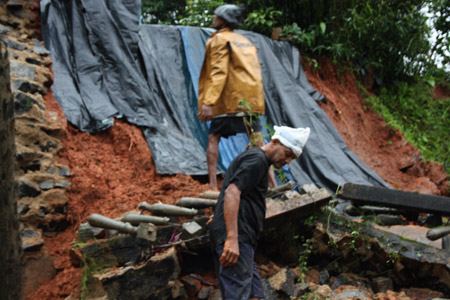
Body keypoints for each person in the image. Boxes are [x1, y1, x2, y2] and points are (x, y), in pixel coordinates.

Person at [209, 125, 311, 300]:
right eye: (287, 154)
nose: (288, 161)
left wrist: (219, 213)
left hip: (244, 239)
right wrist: (232, 239)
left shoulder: (259, 162)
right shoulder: (256, 160)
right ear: (275, 141)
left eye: (292, 158)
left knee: (255, 295)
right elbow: (232, 192)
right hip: (237, 238)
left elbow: (232, 187)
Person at [197, 4, 276, 190]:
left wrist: (209, 101)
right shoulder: (244, 41)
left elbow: (219, 71)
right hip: (251, 101)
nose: (214, 17)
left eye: (217, 15)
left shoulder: (219, 40)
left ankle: (213, 187)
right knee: (258, 142)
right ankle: (273, 185)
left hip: (230, 101)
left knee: (213, 138)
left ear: (223, 20)